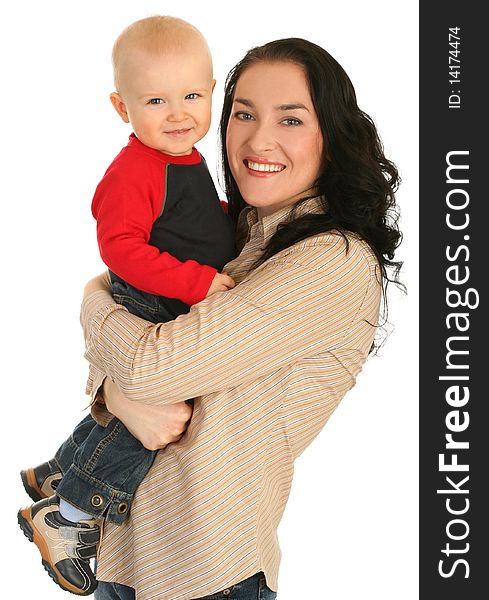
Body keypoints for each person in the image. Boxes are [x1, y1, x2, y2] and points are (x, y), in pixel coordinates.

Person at [76, 37, 403, 600]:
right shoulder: (238, 237)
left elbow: (153, 366)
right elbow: (138, 349)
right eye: (243, 114)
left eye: (291, 119)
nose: (258, 139)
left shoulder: (333, 260)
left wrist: (90, 303)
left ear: (333, 135)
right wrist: (114, 391)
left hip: (207, 573)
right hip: (123, 555)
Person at [17, 15, 236, 596]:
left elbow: (182, 218)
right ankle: (70, 514)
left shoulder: (181, 155)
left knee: (138, 411)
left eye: (192, 95)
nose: (179, 113)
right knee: (154, 421)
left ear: (212, 91)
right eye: (156, 100)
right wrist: (198, 283)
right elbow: (120, 249)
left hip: (169, 295)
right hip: (154, 302)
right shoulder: (137, 168)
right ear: (122, 108)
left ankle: (60, 469)